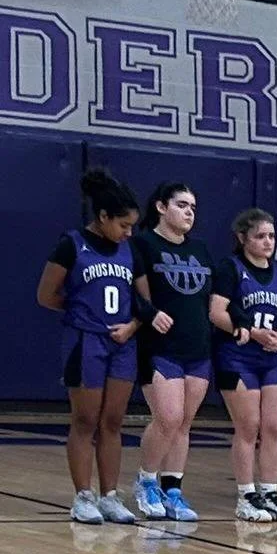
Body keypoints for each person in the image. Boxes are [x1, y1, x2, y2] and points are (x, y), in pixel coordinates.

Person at [36, 168, 146, 524]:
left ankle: (110, 496)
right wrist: (82, 313)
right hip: (85, 341)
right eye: (123, 225)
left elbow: (144, 303)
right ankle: (83, 497)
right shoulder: (72, 245)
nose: (128, 232)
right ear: (103, 217)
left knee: (113, 421)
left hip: (122, 344)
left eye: (132, 226)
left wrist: (132, 326)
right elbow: (46, 295)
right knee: (85, 420)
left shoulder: (130, 250)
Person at [210, 208, 277, 523]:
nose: (268, 242)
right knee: (248, 427)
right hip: (237, 357)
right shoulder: (231, 268)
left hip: (273, 358)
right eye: (260, 236)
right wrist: (254, 333)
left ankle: (268, 492)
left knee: (274, 428)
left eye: (271, 236)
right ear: (243, 238)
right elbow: (217, 312)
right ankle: (246, 495)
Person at [131, 181, 214, 523]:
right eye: (181, 205)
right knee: (167, 418)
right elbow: (134, 293)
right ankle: (146, 481)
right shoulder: (143, 244)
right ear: (161, 207)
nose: (189, 212)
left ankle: (173, 490)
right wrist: (150, 314)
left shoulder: (201, 250)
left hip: (197, 346)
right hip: (160, 346)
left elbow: (210, 300)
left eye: (193, 207)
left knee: (184, 424)